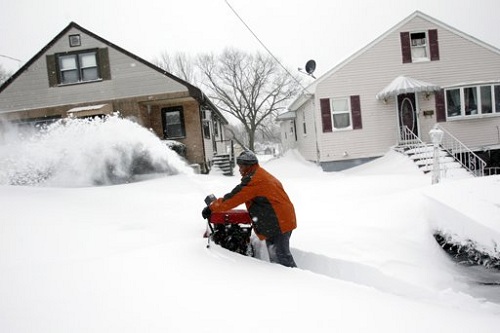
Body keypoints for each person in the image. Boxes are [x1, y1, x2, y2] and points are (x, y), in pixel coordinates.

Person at [202, 150, 297, 268]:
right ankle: (285, 281)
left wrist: (212, 208)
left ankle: (297, 281)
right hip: (278, 220)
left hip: (278, 222)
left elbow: (233, 198)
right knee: (277, 258)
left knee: (282, 258)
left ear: (249, 166)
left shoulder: (255, 181)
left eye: (241, 166)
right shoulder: (258, 175)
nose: (240, 170)